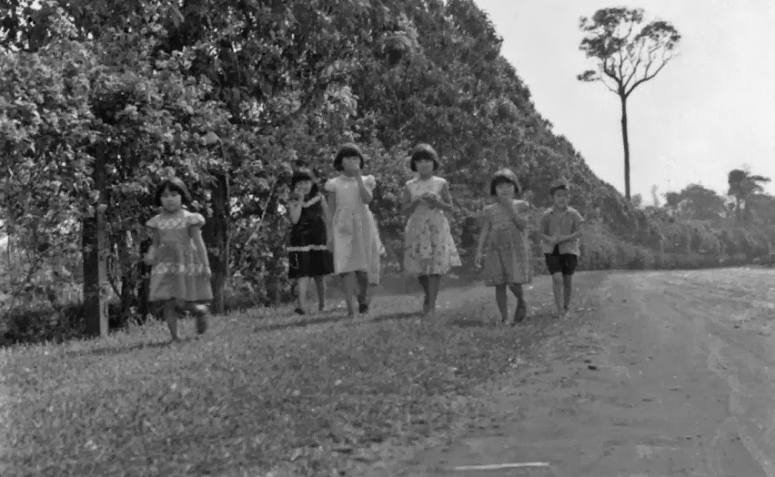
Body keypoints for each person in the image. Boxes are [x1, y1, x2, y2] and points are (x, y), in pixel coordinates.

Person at [144, 177, 212, 342]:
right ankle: (175, 337)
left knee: (181, 302)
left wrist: (205, 265)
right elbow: (155, 242)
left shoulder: (189, 218)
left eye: (174, 194)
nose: (169, 199)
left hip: (184, 263)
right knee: (167, 301)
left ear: (182, 196)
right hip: (164, 264)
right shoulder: (157, 221)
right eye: (165, 196)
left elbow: (198, 242)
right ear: (159, 199)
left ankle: (200, 310)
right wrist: (150, 255)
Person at [401, 143, 461, 315]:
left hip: (437, 227)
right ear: (414, 165)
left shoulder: (441, 183)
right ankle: (428, 295)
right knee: (421, 267)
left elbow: (450, 207)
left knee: (435, 267)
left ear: (434, 162)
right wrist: (416, 201)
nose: (424, 164)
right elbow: (403, 210)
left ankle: (431, 305)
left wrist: (437, 203)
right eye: (419, 161)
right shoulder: (410, 185)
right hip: (418, 227)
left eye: (427, 160)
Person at [325, 143, 383, 316]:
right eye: (348, 158)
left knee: (363, 267)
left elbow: (367, 199)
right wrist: (330, 236)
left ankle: (363, 299)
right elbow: (330, 211)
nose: (352, 161)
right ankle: (350, 307)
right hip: (342, 226)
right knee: (345, 266)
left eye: (355, 157)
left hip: (363, 224)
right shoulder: (333, 184)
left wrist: (358, 178)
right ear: (340, 161)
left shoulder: (367, 180)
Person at [474, 168, 532, 325]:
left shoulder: (521, 205)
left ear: (515, 187)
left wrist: (510, 208)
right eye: (500, 187)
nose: (504, 189)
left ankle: (520, 300)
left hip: (514, 248)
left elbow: (523, 224)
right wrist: (479, 251)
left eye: (508, 185)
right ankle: (504, 317)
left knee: (514, 281)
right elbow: (485, 230)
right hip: (496, 249)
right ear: (495, 190)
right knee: (499, 284)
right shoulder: (490, 210)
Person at [287, 168, 335, 314]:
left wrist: (331, 237)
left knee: (319, 274)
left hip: (318, 237)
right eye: (300, 183)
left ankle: (322, 304)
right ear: (294, 185)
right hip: (300, 239)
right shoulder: (292, 200)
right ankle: (301, 305)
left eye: (306, 182)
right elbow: (294, 219)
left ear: (312, 183)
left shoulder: (319, 197)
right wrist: (300, 200)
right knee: (303, 273)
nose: (304, 185)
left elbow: (328, 217)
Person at [541, 180, 585, 318]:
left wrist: (565, 238)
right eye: (559, 195)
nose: (562, 198)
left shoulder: (574, 214)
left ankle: (566, 306)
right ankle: (559, 309)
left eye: (565, 196)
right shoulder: (546, 215)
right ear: (553, 197)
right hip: (551, 250)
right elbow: (541, 233)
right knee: (557, 278)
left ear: (569, 198)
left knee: (567, 280)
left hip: (569, 251)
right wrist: (551, 239)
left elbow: (580, 231)